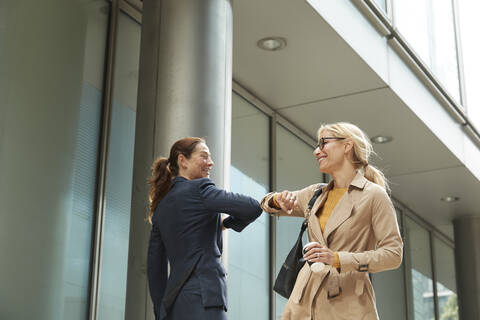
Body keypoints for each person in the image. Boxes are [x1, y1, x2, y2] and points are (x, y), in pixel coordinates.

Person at [261, 122, 403, 320]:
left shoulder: (373, 196)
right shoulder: (316, 194)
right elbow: (267, 203)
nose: (316, 151)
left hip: (347, 304)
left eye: (323, 143)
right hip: (302, 303)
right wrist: (278, 200)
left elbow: (393, 254)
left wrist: (336, 259)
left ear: (347, 146)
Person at [147, 137, 262, 320]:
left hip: (174, 306)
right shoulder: (200, 189)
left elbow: (155, 269)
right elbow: (252, 207)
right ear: (182, 160)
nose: (211, 162)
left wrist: (161, 312)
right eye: (204, 156)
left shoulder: (160, 208)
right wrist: (229, 223)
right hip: (205, 299)